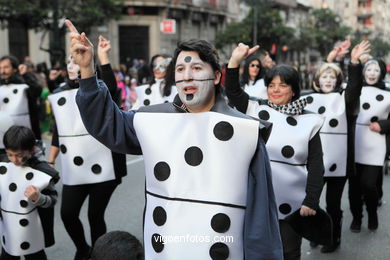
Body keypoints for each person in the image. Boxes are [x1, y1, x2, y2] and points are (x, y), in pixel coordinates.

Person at [66, 19, 282, 259]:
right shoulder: (155, 121)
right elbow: (108, 124)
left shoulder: (245, 132)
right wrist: (87, 70)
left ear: (217, 77)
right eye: (180, 70)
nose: (187, 76)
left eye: (197, 68)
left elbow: (261, 220)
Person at [225, 43, 325, 260]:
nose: (275, 90)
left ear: (294, 89)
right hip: (255, 197)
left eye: (282, 85)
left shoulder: (310, 122)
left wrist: (311, 200)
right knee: (254, 251)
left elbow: (316, 165)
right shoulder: (254, 108)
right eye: (271, 85)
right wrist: (234, 61)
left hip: (291, 202)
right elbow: (232, 90)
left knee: (289, 251)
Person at [47, 53, 127, 260]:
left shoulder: (101, 88)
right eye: (69, 62)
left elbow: (111, 86)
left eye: (77, 61)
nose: (72, 66)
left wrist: (103, 57)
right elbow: (58, 131)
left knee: (95, 215)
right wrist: (50, 160)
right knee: (67, 213)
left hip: (105, 165)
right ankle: (83, 249)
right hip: (76, 168)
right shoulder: (60, 93)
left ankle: (99, 256)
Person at [303, 41, 371, 253]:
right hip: (316, 163)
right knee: (311, 202)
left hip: (339, 164)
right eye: (324, 76)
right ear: (317, 80)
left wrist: (354, 62)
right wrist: (331, 58)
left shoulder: (345, 100)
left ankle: (334, 237)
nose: (328, 79)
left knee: (333, 205)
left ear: (338, 80)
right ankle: (317, 232)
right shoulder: (307, 99)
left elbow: (354, 88)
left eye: (333, 77)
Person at [0, 125, 59, 260]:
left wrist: (39, 198)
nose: (14, 160)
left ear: (31, 150)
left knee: (35, 255)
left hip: (32, 228)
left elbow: (53, 200)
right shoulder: (3, 165)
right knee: (7, 254)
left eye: (19, 155)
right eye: (10, 154)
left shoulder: (42, 171)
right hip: (8, 226)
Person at [349, 58, 390, 232]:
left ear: (381, 72)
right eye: (368, 69)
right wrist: (354, 65)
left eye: (376, 70)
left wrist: (383, 125)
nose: (372, 73)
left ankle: (372, 212)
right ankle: (357, 218)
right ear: (363, 72)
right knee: (354, 186)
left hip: (376, 142)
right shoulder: (354, 90)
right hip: (355, 141)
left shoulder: (388, 93)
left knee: (369, 184)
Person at [0, 55, 42, 142]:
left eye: (6, 67)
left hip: (25, 133)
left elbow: (37, 90)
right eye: (0, 68)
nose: (2, 71)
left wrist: (26, 75)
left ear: (15, 69)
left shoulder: (24, 82)